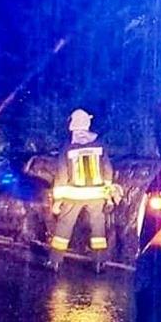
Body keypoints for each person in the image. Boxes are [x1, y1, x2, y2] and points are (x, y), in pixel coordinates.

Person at [47, 108, 114, 273]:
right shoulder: (99, 145)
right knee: (98, 226)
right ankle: (99, 262)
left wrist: (57, 201)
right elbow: (107, 169)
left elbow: (62, 175)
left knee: (64, 226)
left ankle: (55, 261)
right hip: (97, 194)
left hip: (73, 195)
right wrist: (107, 192)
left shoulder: (68, 148)